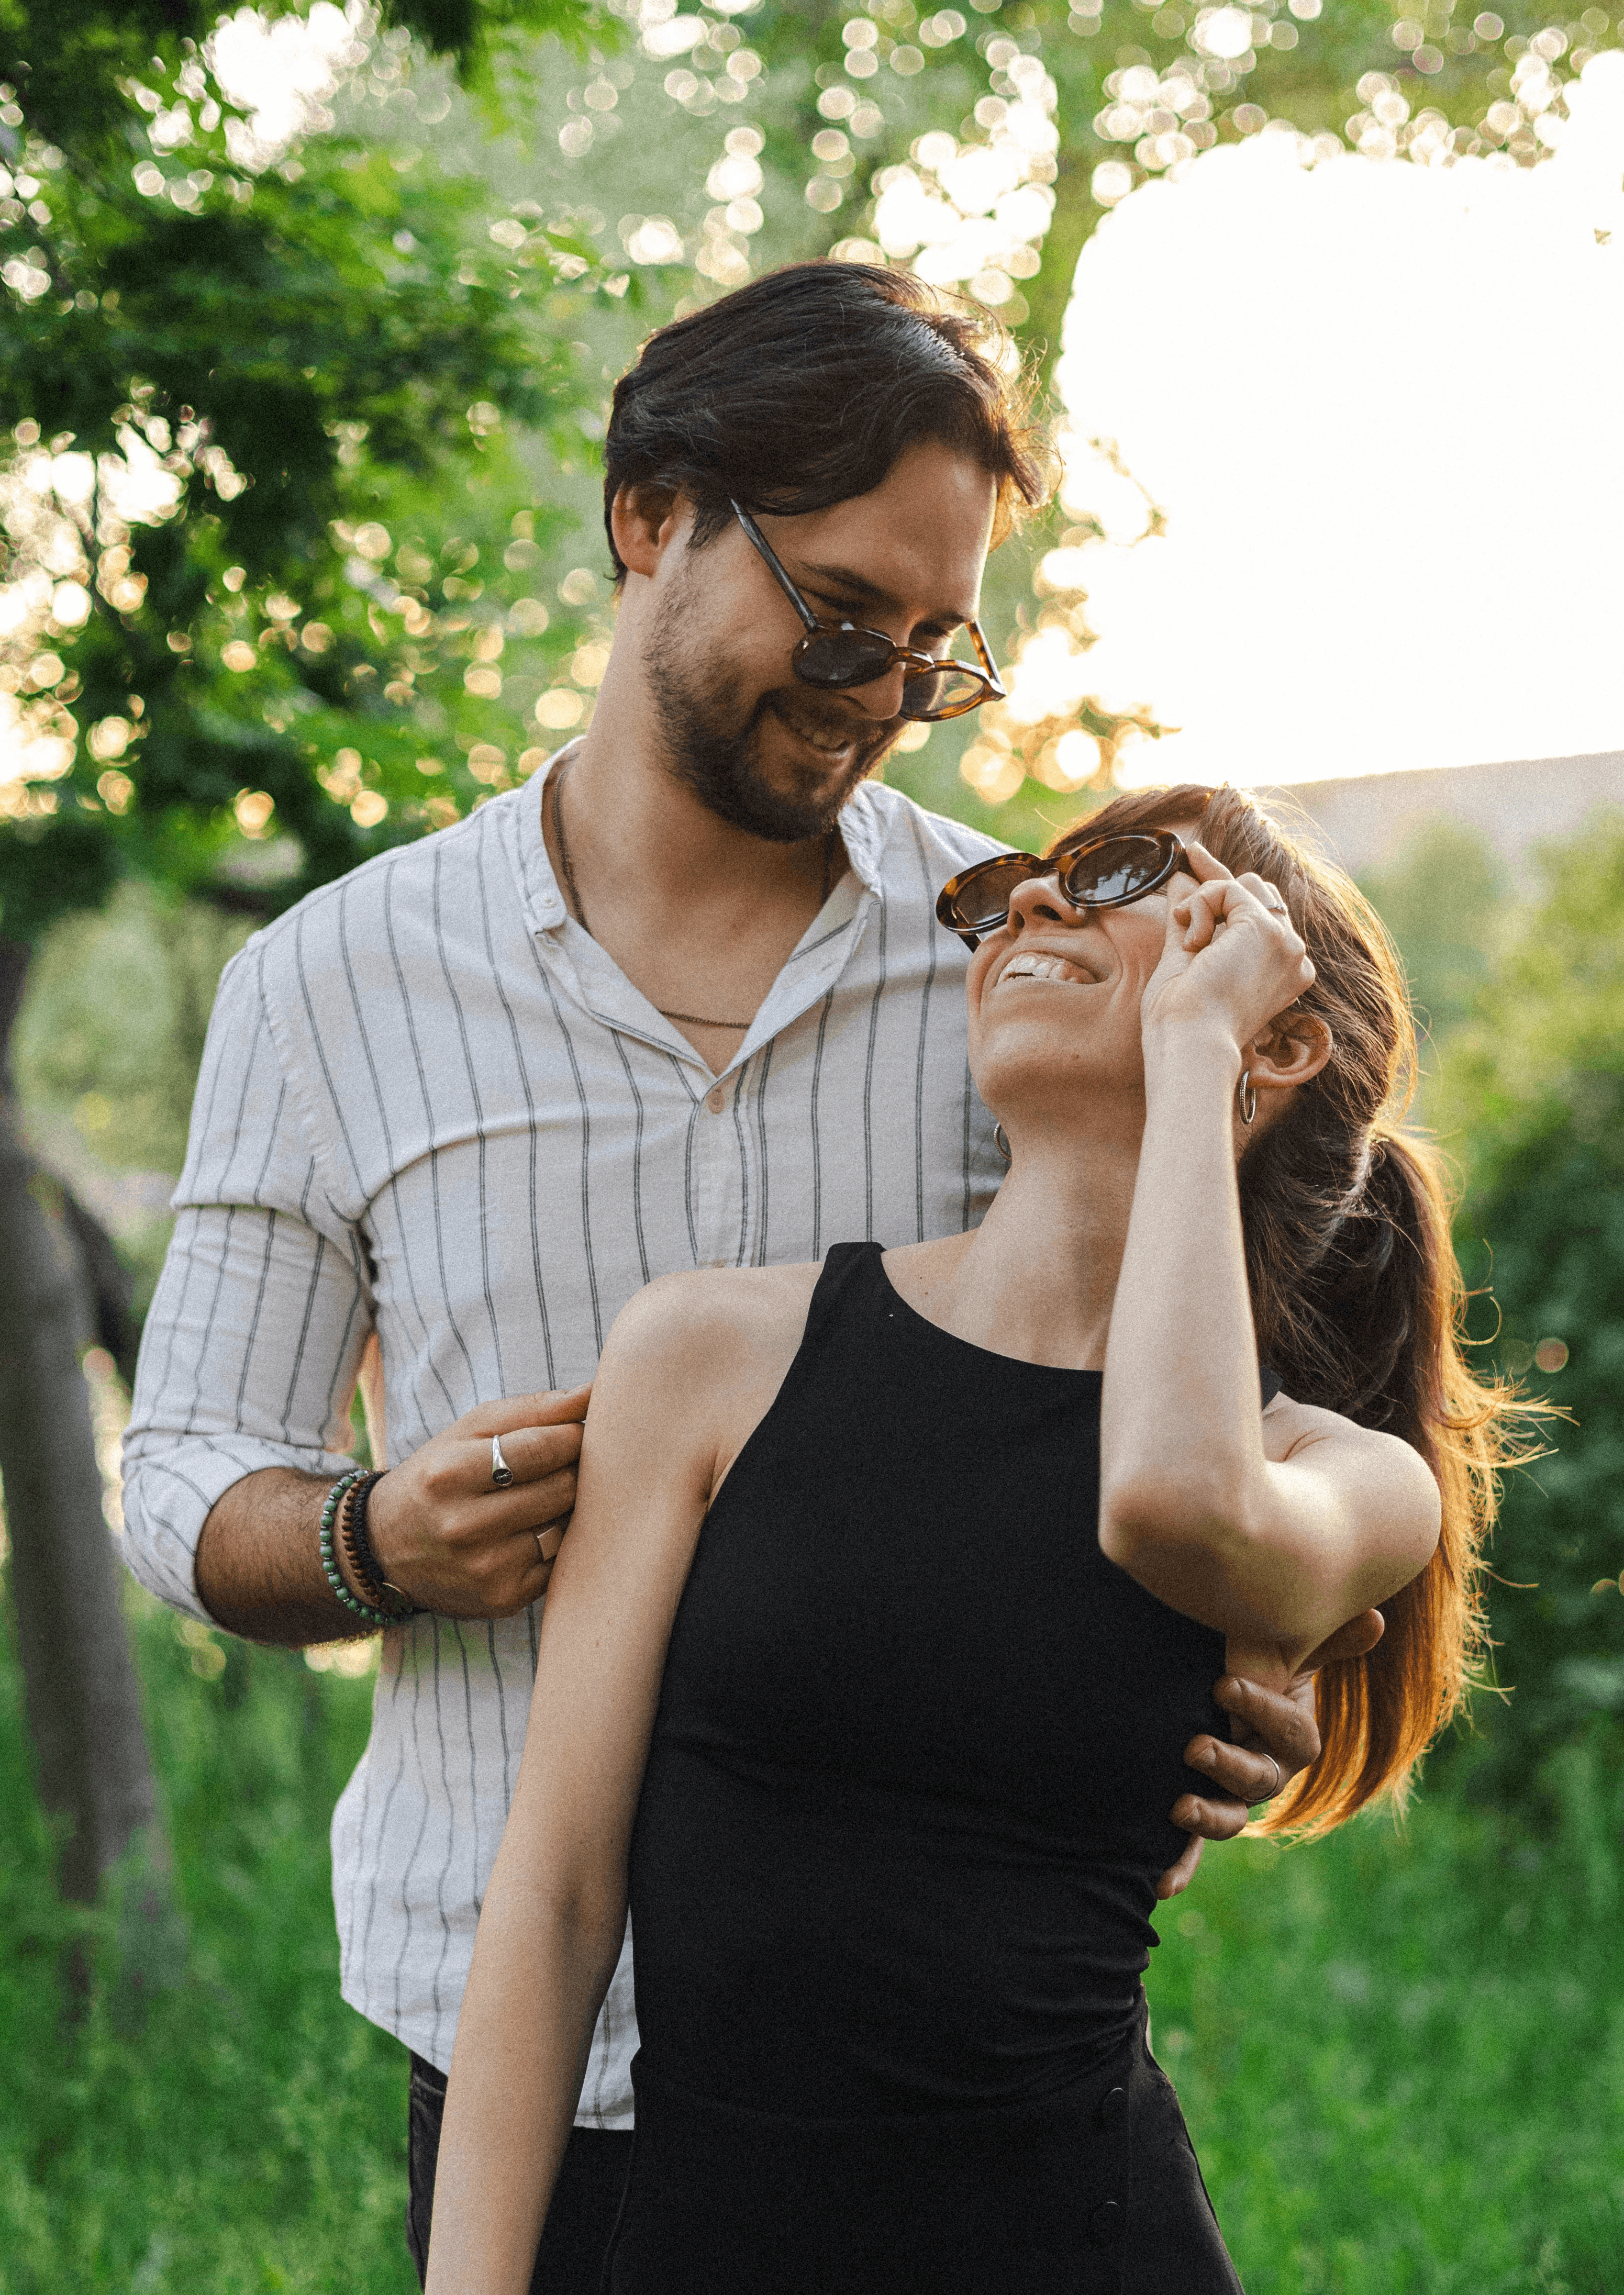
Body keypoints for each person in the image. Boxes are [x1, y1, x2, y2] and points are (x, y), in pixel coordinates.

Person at [121, 266, 1348, 2294]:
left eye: (930, 653)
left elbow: (1176, 1401)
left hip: (928, 2082)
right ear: (650, 516)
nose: (876, 688)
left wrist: (1254, 1654)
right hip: (511, 2040)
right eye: (843, 613)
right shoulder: (326, 987)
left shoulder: (1001, 968)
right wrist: (368, 1537)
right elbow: (178, 1472)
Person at [425, 784, 1518, 2294]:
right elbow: (550, 1899)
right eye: (1010, 891)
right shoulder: (712, 1355)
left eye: (1122, 876)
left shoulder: (1332, 1472)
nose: (1031, 909)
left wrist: (1191, 1062)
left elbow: (1166, 1503)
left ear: (1274, 1032)